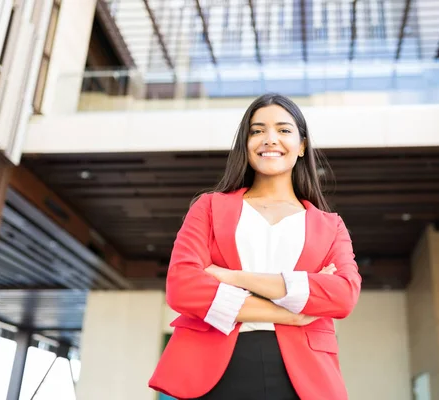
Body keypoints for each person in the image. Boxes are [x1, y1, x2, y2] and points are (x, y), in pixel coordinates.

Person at [149, 93, 362, 400]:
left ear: (302, 145)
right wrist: (289, 313)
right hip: (213, 370)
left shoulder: (330, 225)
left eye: (284, 130)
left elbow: (342, 296)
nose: (269, 139)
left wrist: (233, 277)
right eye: (257, 130)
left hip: (304, 376)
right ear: (245, 144)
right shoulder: (209, 208)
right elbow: (183, 287)